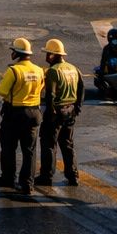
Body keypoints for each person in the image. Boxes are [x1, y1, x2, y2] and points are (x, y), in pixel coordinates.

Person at [0, 37, 44, 194]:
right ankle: (27, 183)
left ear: (17, 53)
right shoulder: (39, 70)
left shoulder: (13, 70)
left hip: (14, 114)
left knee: (8, 148)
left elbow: (2, 91)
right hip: (34, 113)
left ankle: (8, 178)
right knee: (29, 150)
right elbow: (41, 88)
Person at [35, 38, 83, 186]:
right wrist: (77, 108)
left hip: (57, 111)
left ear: (52, 55)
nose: (46, 57)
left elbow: (50, 95)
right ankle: (73, 175)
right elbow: (81, 89)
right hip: (70, 110)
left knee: (49, 144)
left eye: (47, 54)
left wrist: (50, 113)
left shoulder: (53, 72)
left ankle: (46, 176)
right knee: (67, 144)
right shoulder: (74, 69)